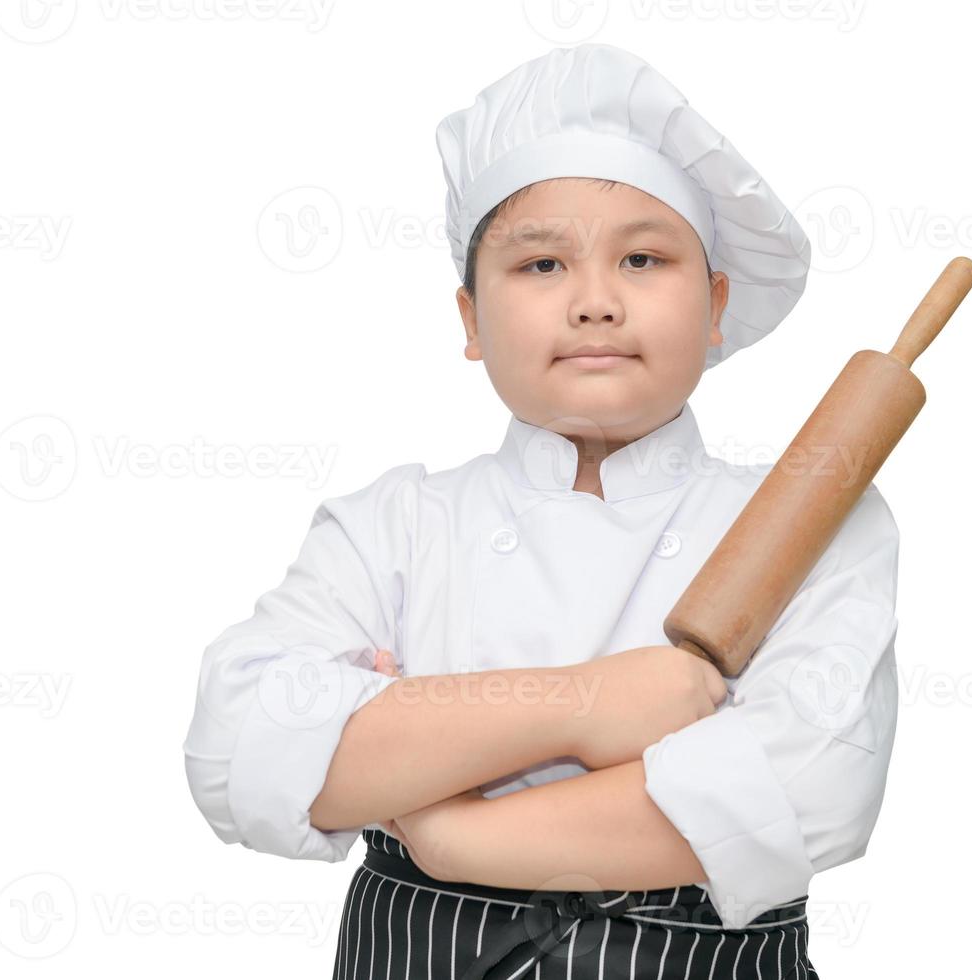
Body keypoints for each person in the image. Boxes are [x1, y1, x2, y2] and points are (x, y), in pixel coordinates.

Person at [182, 42, 900, 979]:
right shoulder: (392, 528)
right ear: (471, 320)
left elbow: (812, 784)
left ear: (716, 305)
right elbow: (239, 746)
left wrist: (445, 827)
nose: (595, 302)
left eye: (643, 258)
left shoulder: (815, 518)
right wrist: (585, 706)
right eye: (541, 265)